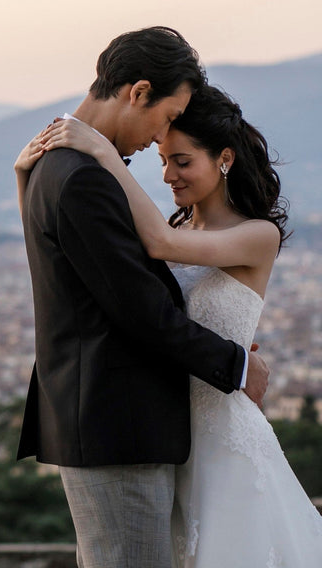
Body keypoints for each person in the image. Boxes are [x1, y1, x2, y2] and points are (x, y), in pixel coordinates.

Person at [26, 84, 322, 566]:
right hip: (165, 429)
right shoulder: (179, 228)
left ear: (224, 159)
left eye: (181, 161)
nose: (168, 175)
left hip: (221, 434)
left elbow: (158, 244)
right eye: (163, 160)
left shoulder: (256, 235)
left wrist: (103, 151)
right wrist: (26, 178)